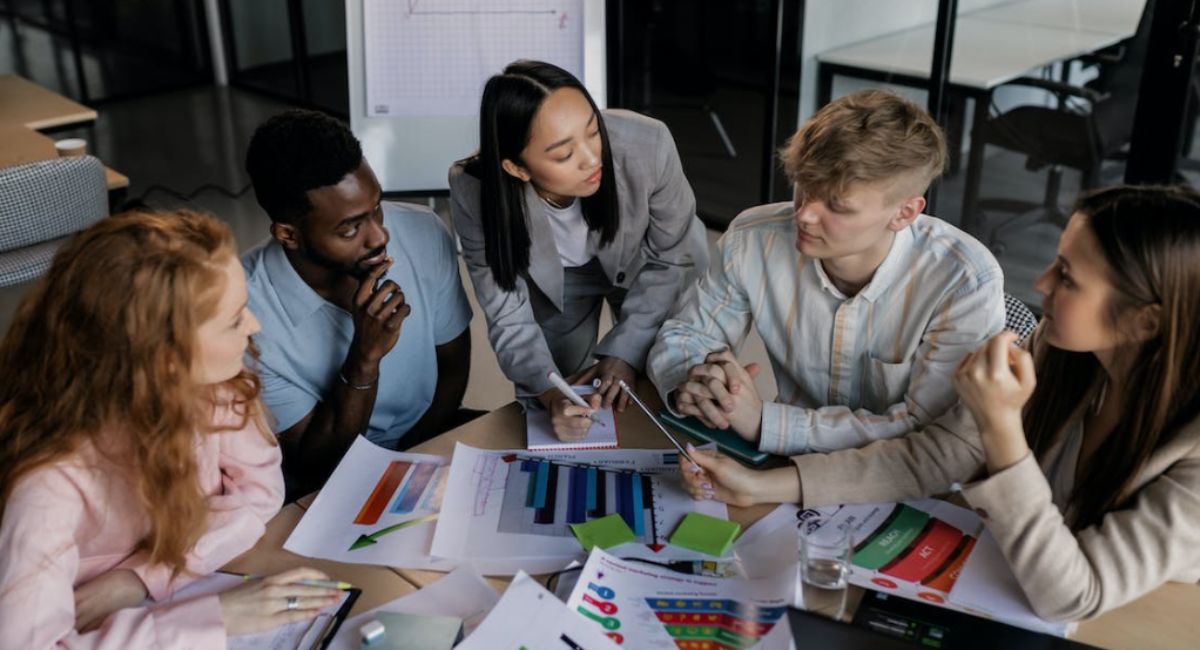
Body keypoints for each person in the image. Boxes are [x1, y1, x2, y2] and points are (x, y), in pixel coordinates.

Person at [679, 185, 1200, 621]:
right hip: (1009, 585)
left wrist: (1001, 428)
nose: (1041, 284)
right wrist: (763, 484)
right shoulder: (1066, 353)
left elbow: (1071, 597)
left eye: (1067, 277)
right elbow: (937, 455)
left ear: (1146, 321)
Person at [0, 209, 342, 647]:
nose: (254, 325)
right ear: (165, 359)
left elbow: (260, 492)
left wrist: (142, 577)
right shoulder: (48, 485)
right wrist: (217, 618)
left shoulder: (214, 387)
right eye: (235, 319)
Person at [647, 89, 1005, 455]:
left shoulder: (964, 281)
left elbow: (929, 429)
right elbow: (688, 334)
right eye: (804, 187)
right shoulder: (751, 239)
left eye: (837, 205)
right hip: (781, 458)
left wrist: (765, 423)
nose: (804, 214)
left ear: (904, 213)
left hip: (901, 476)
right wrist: (700, 382)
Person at [448, 59, 709, 441]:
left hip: (652, 262)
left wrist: (624, 353)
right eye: (563, 154)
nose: (591, 158)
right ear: (517, 168)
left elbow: (672, 257)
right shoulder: (473, 188)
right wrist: (551, 394)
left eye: (593, 131)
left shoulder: (649, 143)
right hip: (560, 278)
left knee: (667, 373)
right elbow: (507, 314)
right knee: (559, 395)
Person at [244, 110, 474, 493]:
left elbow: (452, 370)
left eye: (377, 207)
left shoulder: (423, 230)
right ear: (289, 235)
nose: (380, 236)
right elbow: (315, 464)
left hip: (426, 439)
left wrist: (412, 465)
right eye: (350, 228)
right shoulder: (244, 312)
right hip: (324, 480)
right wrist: (365, 357)